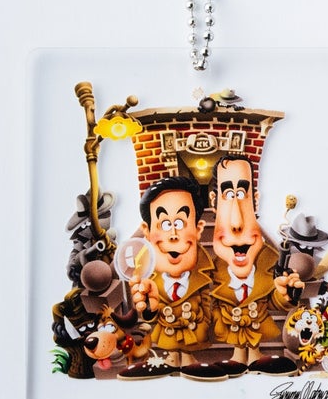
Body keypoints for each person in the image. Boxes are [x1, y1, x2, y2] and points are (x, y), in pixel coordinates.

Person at [118, 176, 226, 381]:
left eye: (180, 223)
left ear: (198, 229)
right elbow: (148, 313)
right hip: (166, 334)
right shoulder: (147, 277)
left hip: (193, 332)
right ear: (147, 231)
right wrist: (149, 308)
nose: (174, 234)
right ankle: (173, 356)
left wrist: (203, 326)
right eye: (166, 224)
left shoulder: (205, 273)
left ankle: (187, 356)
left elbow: (207, 304)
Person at [208, 155, 302, 376]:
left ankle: (254, 354)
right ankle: (238, 354)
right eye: (228, 195)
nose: (236, 222)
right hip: (232, 326)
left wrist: (286, 295)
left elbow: (274, 299)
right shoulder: (212, 270)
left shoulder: (269, 261)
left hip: (258, 323)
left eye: (242, 194)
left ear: (255, 201)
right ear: (214, 201)